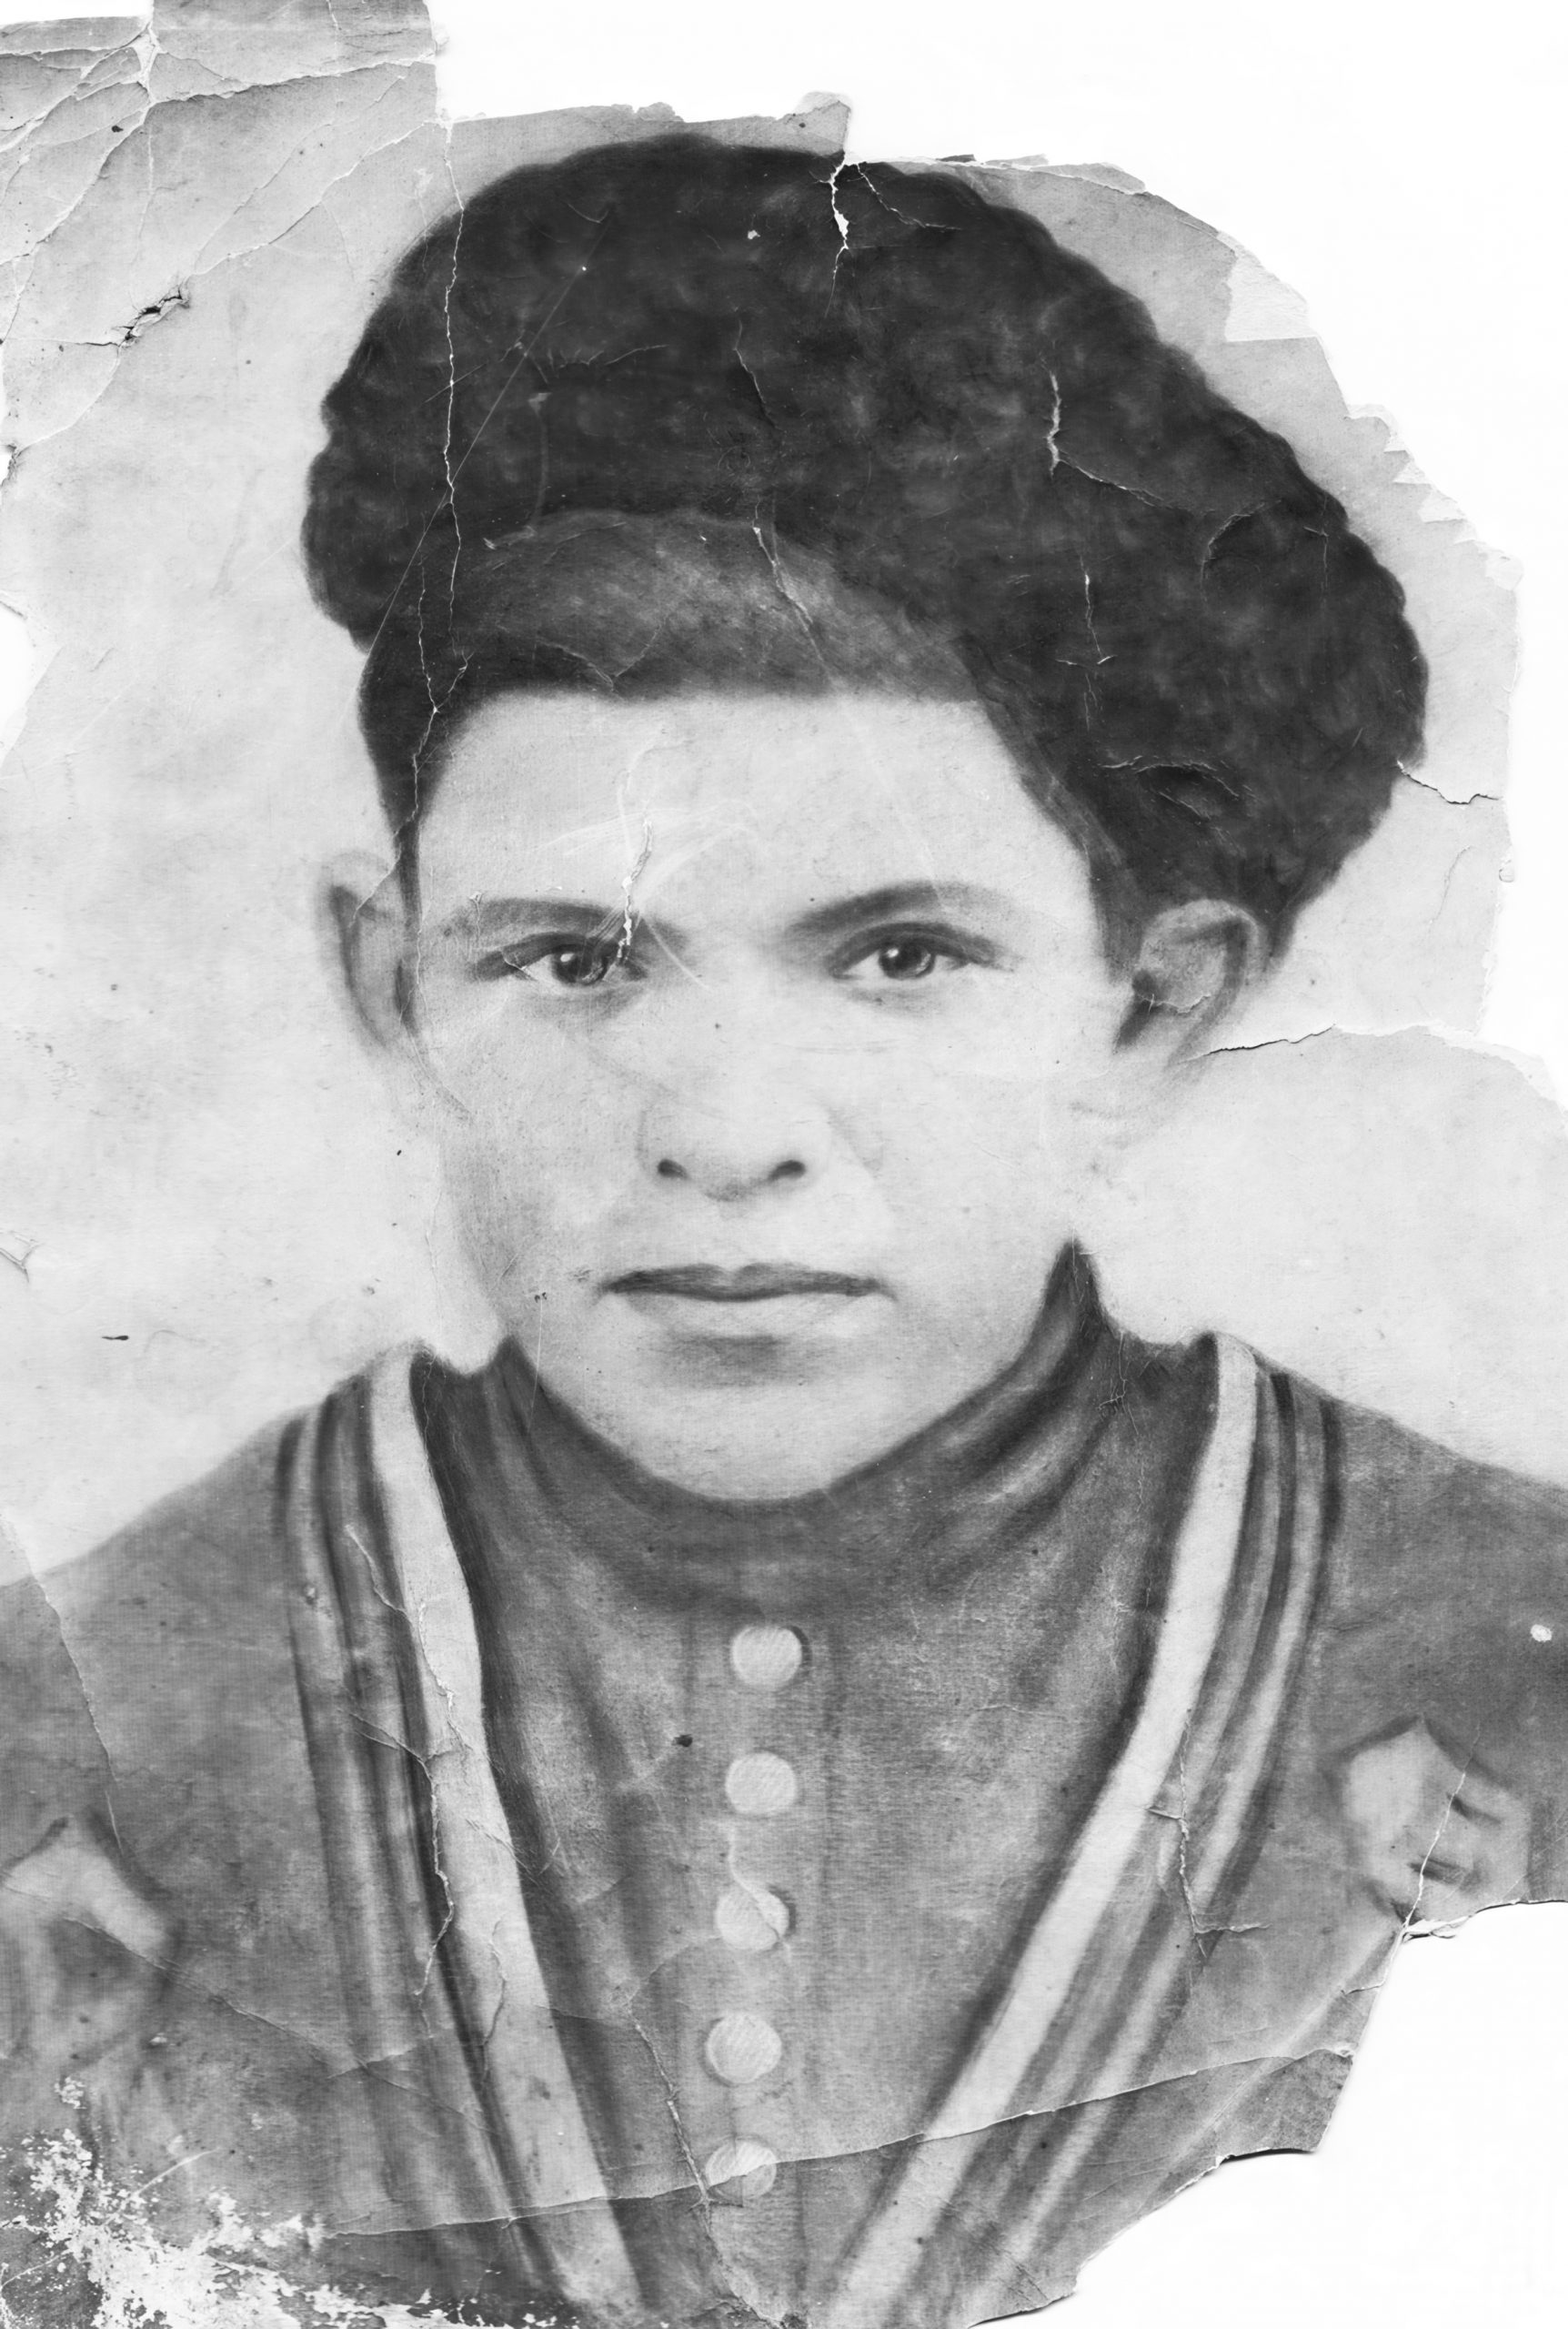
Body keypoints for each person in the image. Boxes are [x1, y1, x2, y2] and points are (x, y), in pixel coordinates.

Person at [2, 131, 1565, 2329]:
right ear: (393, 980)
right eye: (571, 958)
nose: (726, 1136)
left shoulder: (1496, 1631)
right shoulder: (91, 1690)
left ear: (1151, 997)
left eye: (903, 955)